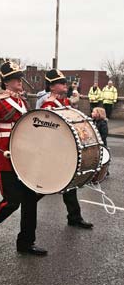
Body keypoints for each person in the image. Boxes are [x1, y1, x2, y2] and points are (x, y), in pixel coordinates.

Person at [0, 61, 47, 256]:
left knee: (31, 200)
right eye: (16, 79)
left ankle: (26, 243)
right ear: (7, 82)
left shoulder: (23, 103)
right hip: (5, 158)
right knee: (12, 201)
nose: (20, 82)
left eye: (20, 78)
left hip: (25, 158)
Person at [38, 69, 93, 230]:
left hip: (63, 150)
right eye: (62, 83)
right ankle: (26, 205)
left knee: (69, 184)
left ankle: (74, 217)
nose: (65, 85)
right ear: (52, 87)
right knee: (46, 186)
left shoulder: (62, 102)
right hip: (53, 151)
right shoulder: (48, 105)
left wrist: (74, 101)